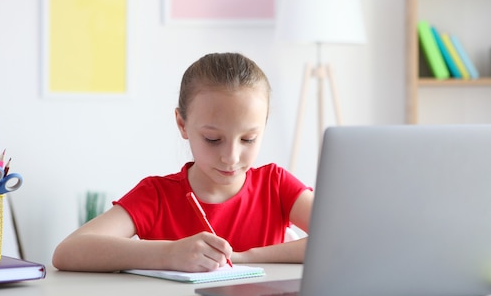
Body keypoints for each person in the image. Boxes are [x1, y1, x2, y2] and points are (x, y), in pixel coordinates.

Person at [52, 52, 313, 273]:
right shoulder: (157, 196)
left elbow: (347, 239)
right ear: (182, 124)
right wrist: (169, 254)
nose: (231, 157)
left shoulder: (276, 186)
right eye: (212, 139)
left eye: (248, 139)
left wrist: (246, 257)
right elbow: (68, 252)